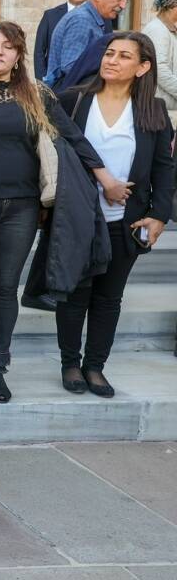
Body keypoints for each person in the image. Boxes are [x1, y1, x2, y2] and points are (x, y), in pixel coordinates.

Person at [0, 21, 109, 404]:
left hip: (22, 208)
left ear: (19, 55)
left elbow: (72, 136)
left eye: (7, 46)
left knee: (5, 289)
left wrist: (105, 175)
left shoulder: (36, 95)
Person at [56, 32, 174, 398]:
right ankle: (71, 364)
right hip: (78, 218)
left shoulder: (153, 111)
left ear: (143, 67)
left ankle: (95, 366)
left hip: (127, 220)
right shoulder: (74, 100)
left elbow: (164, 168)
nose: (112, 60)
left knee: (109, 297)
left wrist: (159, 216)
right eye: (109, 53)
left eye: (124, 56)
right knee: (75, 294)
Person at [45, 0, 133, 86]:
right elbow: (71, 67)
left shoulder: (91, 18)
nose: (123, 6)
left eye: (126, 0)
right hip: (70, 99)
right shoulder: (82, 20)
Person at [34, 0, 94, 79]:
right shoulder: (50, 16)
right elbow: (39, 52)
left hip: (87, 82)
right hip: (55, 82)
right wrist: (41, 82)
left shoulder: (100, 17)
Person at [143, 0, 177, 109]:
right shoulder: (158, 30)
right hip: (160, 108)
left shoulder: (168, 29)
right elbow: (159, 69)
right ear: (173, 7)